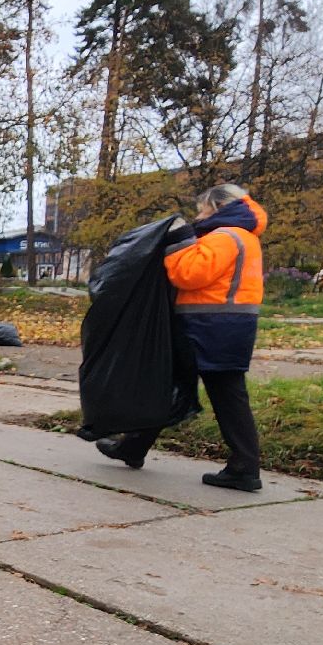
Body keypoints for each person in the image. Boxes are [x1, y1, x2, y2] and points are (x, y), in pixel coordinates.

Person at [95, 183, 267, 491]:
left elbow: (188, 274)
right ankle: (134, 448)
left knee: (208, 393)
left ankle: (244, 466)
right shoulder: (242, 236)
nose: (199, 215)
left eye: (203, 209)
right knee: (184, 387)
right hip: (224, 328)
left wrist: (176, 240)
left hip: (211, 328)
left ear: (219, 207)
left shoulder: (226, 236)